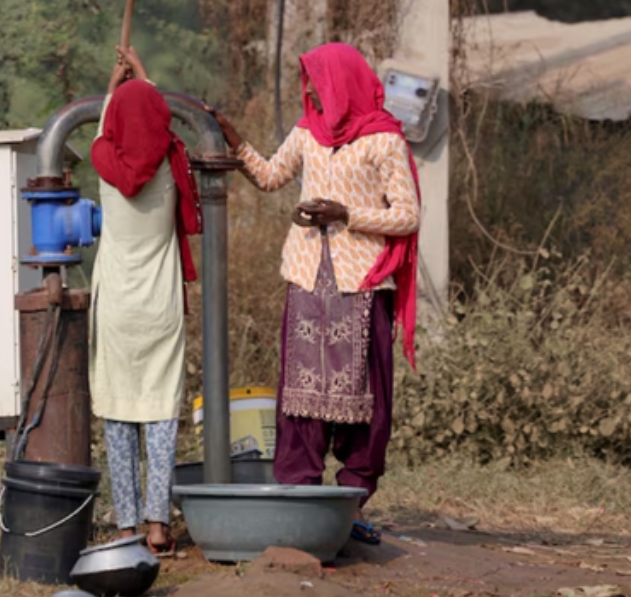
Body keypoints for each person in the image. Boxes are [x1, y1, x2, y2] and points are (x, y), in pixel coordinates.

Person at [208, 42, 420, 545]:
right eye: (310, 85)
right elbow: (269, 177)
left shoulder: (383, 141)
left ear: (342, 83)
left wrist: (347, 215)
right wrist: (236, 142)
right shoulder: (307, 133)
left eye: (319, 84)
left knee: (364, 401)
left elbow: (408, 215)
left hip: (361, 283)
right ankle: (300, 499)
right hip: (307, 279)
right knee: (300, 397)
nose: (313, 94)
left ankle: (348, 503)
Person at [90, 45, 201, 555]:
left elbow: (104, 130)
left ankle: (125, 527)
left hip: (115, 308)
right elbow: (158, 125)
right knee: (159, 413)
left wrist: (116, 83)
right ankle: (159, 526)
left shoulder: (104, 165)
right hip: (158, 310)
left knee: (117, 413)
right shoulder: (170, 168)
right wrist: (146, 76)